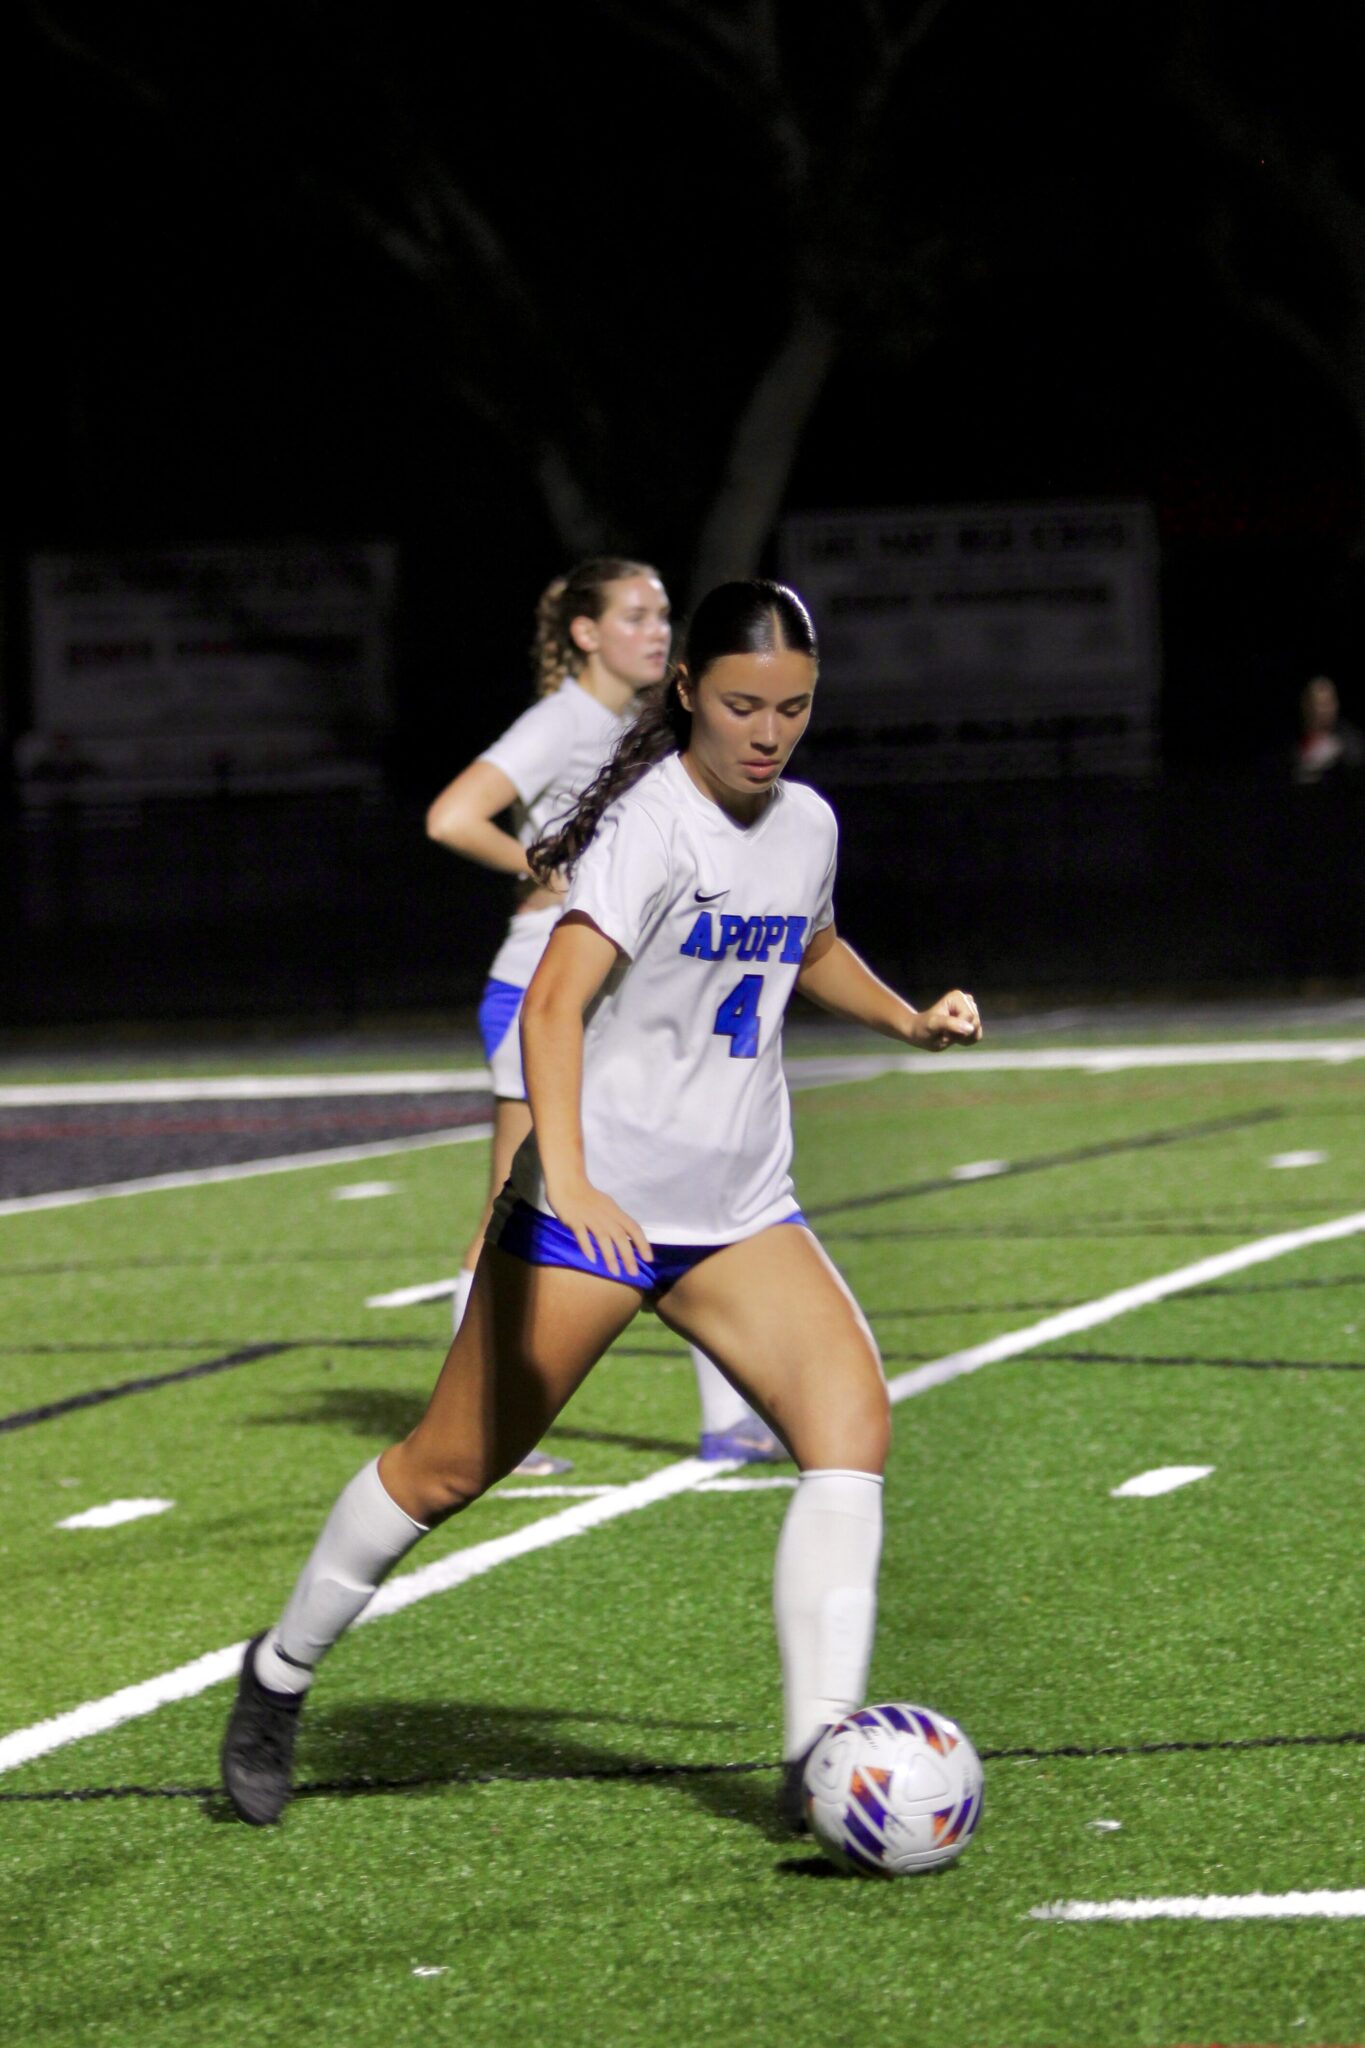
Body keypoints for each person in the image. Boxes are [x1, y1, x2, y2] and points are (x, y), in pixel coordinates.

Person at [221, 578, 982, 1830]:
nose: (768, 732)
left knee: (851, 1429)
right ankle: (280, 1669)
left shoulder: (807, 821)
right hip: (595, 1213)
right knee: (445, 1467)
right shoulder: (650, 823)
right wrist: (569, 1182)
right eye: (741, 704)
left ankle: (814, 1758)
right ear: (687, 690)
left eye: (793, 707)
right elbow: (551, 1005)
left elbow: (809, 943)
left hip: (741, 1212)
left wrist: (908, 1019)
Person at [425, 557, 782, 1469]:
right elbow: (452, 816)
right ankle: (474, 1421)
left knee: (691, 1170)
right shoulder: (563, 721)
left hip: (615, 992)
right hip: (537, 986)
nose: (656, 631)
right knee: (513, 1205)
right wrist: (542, 869)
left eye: (662, 615)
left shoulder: (641, 722)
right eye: (634, 616)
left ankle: (729, 1419)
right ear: (585, 633)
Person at [1292, 674, 1364, 784]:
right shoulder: (1294, 742)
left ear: (1335, 705)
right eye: (1314, 703)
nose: (1319, 710)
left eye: (1326, 704)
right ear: (1304, 704)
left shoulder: (1350, 743)